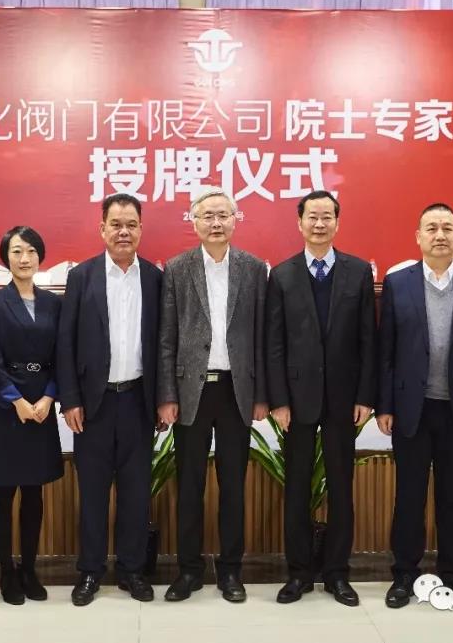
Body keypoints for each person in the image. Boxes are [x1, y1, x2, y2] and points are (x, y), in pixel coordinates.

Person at [377, 203, 453, 610]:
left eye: (447, 227)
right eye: (431, 228)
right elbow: (387, 350)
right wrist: (384, 405)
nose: (440, 235)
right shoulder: (398, 283)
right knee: (409, 496)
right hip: (412, 406)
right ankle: (404, 575)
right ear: (418, 237)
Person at [265, 191, 375, 607]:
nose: (319, 223)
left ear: (337, 223)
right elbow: (274, 344)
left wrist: (365, 395)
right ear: (299, 223)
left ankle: (337, 573)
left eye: (327, 216)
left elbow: (368, 339)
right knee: (296, 487)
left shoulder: (358, 272)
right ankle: (298, 573)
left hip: (345, 399)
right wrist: (278, 399)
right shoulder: (283, 274)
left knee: (342, 487)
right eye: (312, 216)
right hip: (296, 400)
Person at [158, 187, 268, 603]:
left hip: (238, 391)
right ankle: (189, 570)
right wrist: (167, 394)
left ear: (236, 219)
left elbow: (262, 336)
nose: (216, 222)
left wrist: (262, 394)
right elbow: (166, 337)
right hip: (192, 391)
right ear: (194, 221)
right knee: (190, 485)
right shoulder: (177, 268)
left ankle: (231, 571)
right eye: (208, 216)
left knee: (233, 485)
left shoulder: (254, 269)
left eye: (224, 215)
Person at [58, 194, 162, 606]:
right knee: (93, 493)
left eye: (131, 224)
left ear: (141, 230)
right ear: (102, 229)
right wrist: (70, 400)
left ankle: (132, 570)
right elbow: (65, 344)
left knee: (136, 493)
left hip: (138, 401)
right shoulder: (81, 277)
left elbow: (163, 344)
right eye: (116, 224)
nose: (123, 231)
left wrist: (163, 399)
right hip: (92, 405)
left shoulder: (154, 278)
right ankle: (90, 571)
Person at [0, 226, 63, 604]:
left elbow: (63, 355)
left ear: (40, 256)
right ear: (5, 258)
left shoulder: (54, 303)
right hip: (7, 409)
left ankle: (29, 569)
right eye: (16, 251)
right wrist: (16, 399)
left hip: (42, 405)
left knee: (33, 490)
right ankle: (6, 572)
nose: (24, 258)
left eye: (30, 251)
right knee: (4, 490)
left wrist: (49, 396)